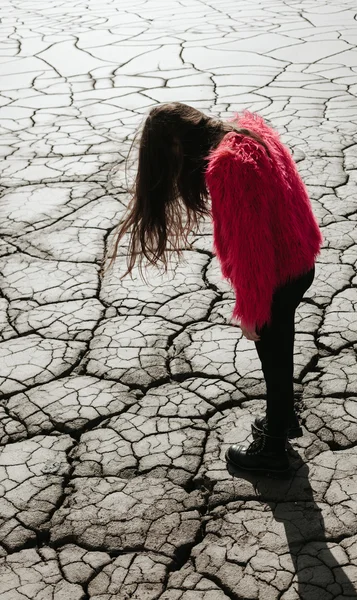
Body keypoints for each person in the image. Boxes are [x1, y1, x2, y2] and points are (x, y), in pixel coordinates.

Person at [104, 102, 323, 476]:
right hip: (300, 260)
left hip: (276, 274)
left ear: (176, 143)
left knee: (272, 354)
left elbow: (249, 246)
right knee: (281, 346)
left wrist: (252, 309)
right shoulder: (252, 133)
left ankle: (273, 452)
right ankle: (282, 421)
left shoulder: (228, 166)